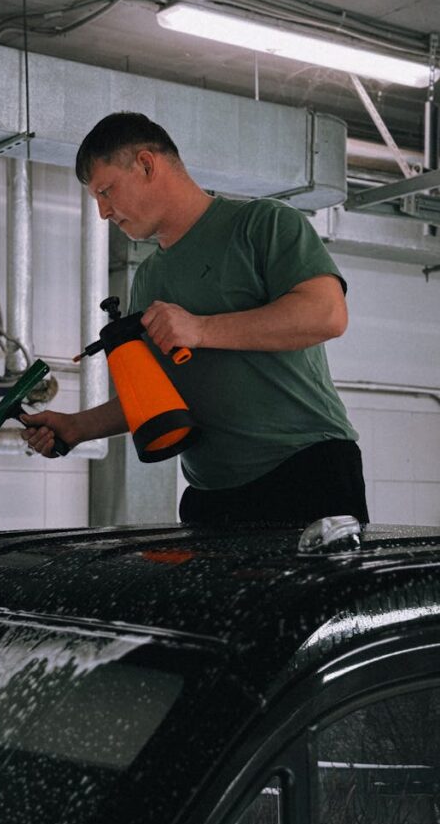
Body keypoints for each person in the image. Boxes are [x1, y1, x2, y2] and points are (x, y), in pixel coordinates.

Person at [21, 112, 368, 525]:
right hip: (211, 495)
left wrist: (201, 329)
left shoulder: (262, 225)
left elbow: (326, 314)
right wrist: (77, 427)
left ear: (148, 164)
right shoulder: (148, 278)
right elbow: (161, 392)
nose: (102, 212)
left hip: (304, 472)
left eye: (107, 191)